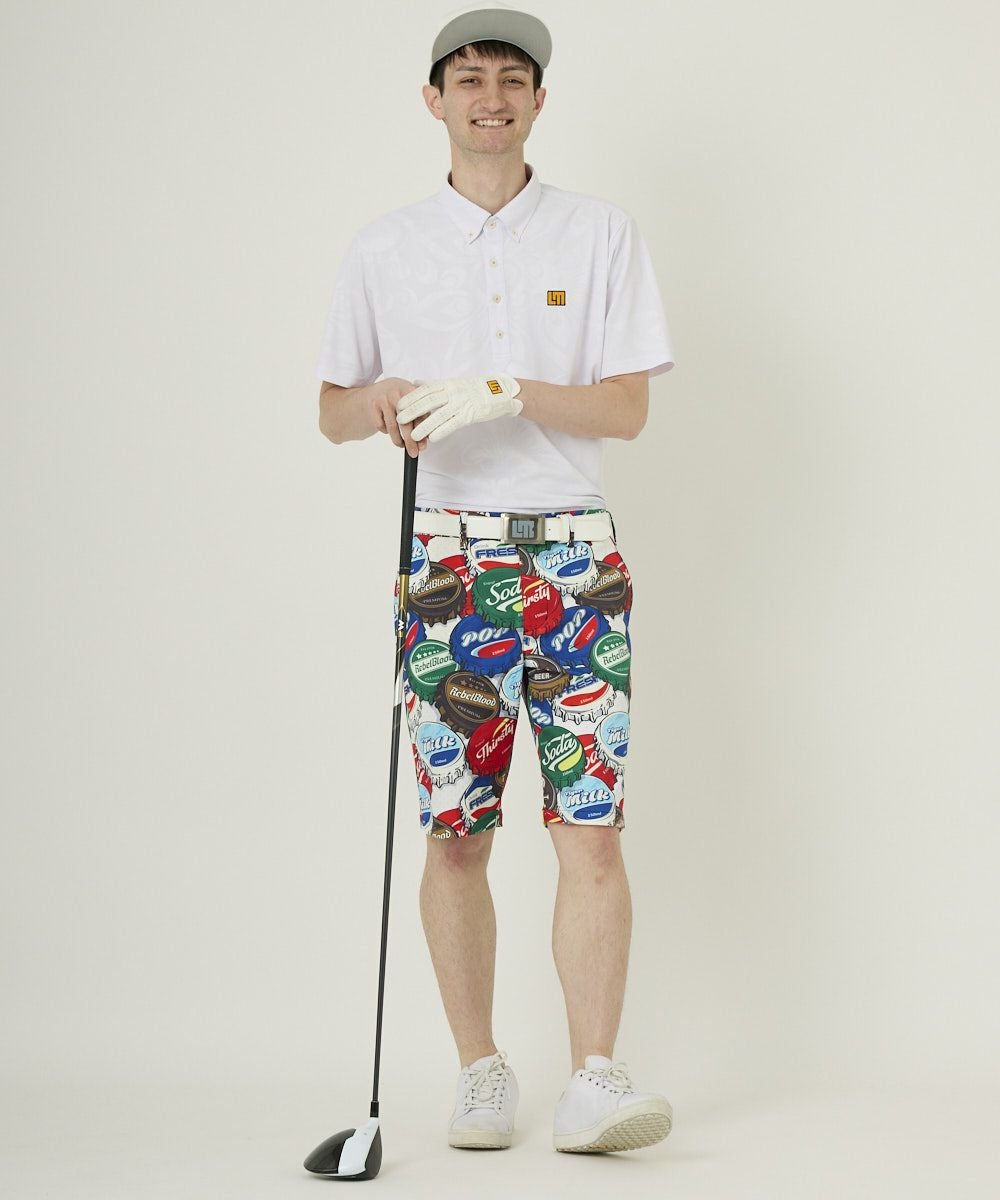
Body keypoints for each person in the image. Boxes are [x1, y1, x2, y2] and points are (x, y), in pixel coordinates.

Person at [315, 4, 676, 1157]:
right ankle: (479, 1070)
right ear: (434, 100)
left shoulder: (598, 233)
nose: (490, 96)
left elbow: (627, 406)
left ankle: (595, 1080)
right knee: (456, 829)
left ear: (538, 101)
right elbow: (330, 412)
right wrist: (375, 403)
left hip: (574, 557)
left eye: (511, 78)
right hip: (447, 564)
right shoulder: (384, 246)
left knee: (591, 826)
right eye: (467, 78)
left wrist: (508, 390)